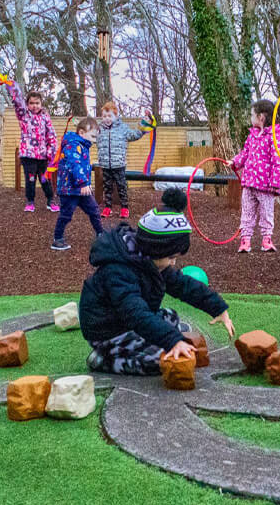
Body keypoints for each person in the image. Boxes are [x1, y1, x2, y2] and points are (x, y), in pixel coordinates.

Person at [79, 188, 234, 376]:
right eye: (170, 257)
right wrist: (172, 341)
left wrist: (217, 307)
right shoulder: (118, 272)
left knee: (171, 317)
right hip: (109, 331)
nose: (173, 263)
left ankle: (154, 338)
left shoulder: (150, 261)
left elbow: (183, 285)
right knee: (161, 360)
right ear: (155, 249)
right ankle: (102, 359)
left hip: (127, 319)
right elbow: (136, 314)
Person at [229, 99, 280, 253]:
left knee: (266, 213)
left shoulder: (276, 135)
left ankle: (266, 240)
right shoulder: (252, 135)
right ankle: (245, 241)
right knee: (247, 213)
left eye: (252, 114)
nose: (250, 117)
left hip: (266, 185)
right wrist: (234, 162)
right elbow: (245, 153)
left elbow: (279, 159)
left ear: (261, 117)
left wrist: (275, 182)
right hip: (249, 182)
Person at [51, 117, 104, 251]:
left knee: (94, 210)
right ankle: (57, 239)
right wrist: (83, 183)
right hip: (69, 189)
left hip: (82, 189)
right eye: (92, 136)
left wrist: (85, 184)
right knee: (66, 214)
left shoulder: (83, 146)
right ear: (81, 133)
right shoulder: (72, 145)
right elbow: (74, 164)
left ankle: (101, 234)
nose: (94, 140)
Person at [7, 80, 59, 212]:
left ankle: (50, 200)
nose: (34, 106)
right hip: (28, 155)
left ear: (41, 104)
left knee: (44, 179)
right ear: (27, 104)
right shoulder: (24, 116)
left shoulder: (45, 117)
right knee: (30, 179)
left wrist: (51, 152)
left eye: (37, 103)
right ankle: (30, 201)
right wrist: (13, 88)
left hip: (43, 156)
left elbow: (51, 135)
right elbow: (18, 102)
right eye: (31, 103)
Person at [96, 101, 146, 219]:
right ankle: (108, 207)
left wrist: (143, 130)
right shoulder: (99, 129)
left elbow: (133, 135)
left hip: (118, 164)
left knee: (121, 186)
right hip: (105, 164)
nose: (107, 118)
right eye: (104, 116)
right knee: (107, 187)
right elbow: (90, 138)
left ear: (115, 116)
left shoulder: (122, 128)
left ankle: (124, 208)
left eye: (109, 116)